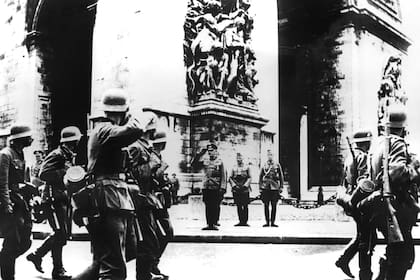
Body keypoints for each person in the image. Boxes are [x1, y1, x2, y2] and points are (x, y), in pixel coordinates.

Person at [84, 88, 143, 280]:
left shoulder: (106, 130)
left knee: (109, 260)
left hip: (114, 198)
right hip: (108, 199)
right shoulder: (105, 129)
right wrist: (133, 116)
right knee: (114, 268)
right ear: (122, 111)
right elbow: (135, 129)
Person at [363, 107, 419, 280]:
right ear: (403, 128)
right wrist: (415, 168)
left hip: (380, 206)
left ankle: (383, 272)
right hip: (396, 206)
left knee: (396, 252)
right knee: (404, 256)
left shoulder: (379, 144)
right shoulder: (398, 144)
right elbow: (398, 173)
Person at [26, 126, 82, 280]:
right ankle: (56, 269)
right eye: (76, 140)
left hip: (63, 199)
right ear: (71, 141)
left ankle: (39, 256)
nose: (78, 142)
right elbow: (43, 173)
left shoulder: (67, 155)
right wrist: (66, 173)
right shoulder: (57, 154)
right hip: (53, 199)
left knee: (63, 234)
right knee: (60, 233)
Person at [335, 130, 372, 278]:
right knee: (366, 238)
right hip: (360, 201)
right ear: (365, 142)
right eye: (369, 141)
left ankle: (344, 260)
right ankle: (364, 272)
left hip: (351, 199)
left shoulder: (351, 157)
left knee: (365, 236)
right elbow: (363, 182)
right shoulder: (361, 157)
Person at [0, 124, 34, 280]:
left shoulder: (20, 154)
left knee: (26, 241)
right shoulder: (5, 155)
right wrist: (6, 204)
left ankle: (4, 260)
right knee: (12, 241)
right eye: (27, 136)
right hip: (11, 203)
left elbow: (21, 180)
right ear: (18, 139)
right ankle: (8, 276)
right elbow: (3, 183)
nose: (31, 139)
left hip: (21, 202)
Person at [191, 143, 226, 230]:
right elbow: (194, 165)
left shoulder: (220, 161)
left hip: (215, 187)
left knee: (214, 205)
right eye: (208, 151)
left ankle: (214, 223)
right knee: (208, 205)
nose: (210, 153)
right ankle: (209, 224)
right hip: (206, 187)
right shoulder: (205, 161)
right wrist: (199, 154)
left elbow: (223, 175)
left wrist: (223, 187)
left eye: (211, 151)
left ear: (215, 151)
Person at [259, 149, 284, 227]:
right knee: (266, 205)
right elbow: (260, 176)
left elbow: (281, 176)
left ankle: (273, 222)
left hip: (274, 187)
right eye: (269, 155)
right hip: (266, 187)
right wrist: (260, 187)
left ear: (273, 155)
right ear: (267, 156)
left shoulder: (277, 165)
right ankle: (267, 222)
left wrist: (281, 187)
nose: (270, 156)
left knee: (274, 205)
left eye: (271, 155)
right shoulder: (264, 165)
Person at [229, 152, 251, 226]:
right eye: (238, 158)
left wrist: (245, 185)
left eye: (240, 158)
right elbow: (230, 178)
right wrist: (234, 186)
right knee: (238, 205)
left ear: (243, 158)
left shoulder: (247, 167)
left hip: (244, 189)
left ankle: (245, 221)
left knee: (245, 205)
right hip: (236, 189)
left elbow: (249, 177)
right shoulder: (233, 167)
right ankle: (240, 221)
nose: (239, 159)